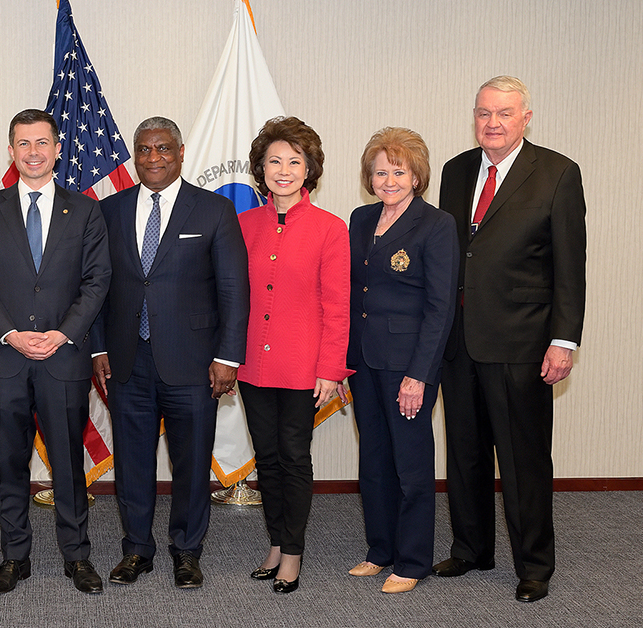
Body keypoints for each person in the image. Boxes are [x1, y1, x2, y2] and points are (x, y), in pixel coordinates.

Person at [433, 76, 586, 604]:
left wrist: (563, 340)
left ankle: (534, 564)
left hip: (522, 342)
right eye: (482, 113)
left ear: (525, 117)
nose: (491, 123)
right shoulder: (454, 171)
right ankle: (472, 547)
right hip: (459, 339)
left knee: (522, 460)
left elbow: (570, 266)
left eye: (503, 113)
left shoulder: (558, 173)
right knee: (466, 453)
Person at [90, 116, 248, 589]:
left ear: (181, 153)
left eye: (162, 148)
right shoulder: (110, 210)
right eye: (143, 149)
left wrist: (228, 356)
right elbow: (96, 286)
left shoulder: (213, 210)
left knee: (192, 464)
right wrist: (97, 348)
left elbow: (233, 289)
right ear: (134, 156)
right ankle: (136, 549)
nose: (153, 157)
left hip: (194, 363)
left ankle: (187, 551)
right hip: (127, 362)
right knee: (132, 463)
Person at [0, 109, 111, 595]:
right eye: (23, 144)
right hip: (4, 358)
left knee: (69, 462)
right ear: (11, 151)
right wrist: (11, 334)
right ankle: (14, 557)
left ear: (57, 148)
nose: (33, 152)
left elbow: (96, 280)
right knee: (11, 462)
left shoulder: (86, 210)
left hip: (63, 357)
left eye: (42, 143)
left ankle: (77, 556)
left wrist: (62, 334)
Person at [237, 116, 352, 594]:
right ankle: (275, 542)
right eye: (274, 161)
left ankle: (293, 552)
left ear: (309, 169)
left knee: (293, 457)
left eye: (294, 161)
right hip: (251, 363)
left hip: (303, 366)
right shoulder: (242, 224)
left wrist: (330, 368)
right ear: (260, 169)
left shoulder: (330, 229)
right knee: (265, 458)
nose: (283, 170)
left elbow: (337, 307)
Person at [346, 128, 457, 594]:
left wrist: (418, 374)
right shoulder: (360, 217)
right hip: (363, 359)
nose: (388, 179)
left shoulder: (436, 224)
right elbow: (354, 291)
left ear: (416, 176)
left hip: (408, 364)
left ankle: (412, 561)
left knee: (411, 464)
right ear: (369, 177)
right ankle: (380, 551)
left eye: (398, 171)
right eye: (380, 171)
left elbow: (441, 306)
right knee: (373, 460)